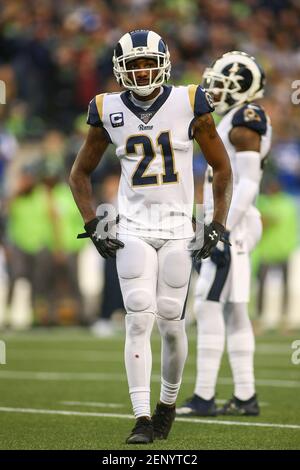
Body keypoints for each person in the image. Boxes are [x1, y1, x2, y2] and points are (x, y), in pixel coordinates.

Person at [69, 30, 232, 444]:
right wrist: (92, 223)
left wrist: (218, 223)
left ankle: (167, 404)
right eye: (134, 64)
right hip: (133, 226)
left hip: (179, 227)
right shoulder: (106, 108)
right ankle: (141, 418)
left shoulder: (189, 100)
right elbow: (79, 173)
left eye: (148, 62)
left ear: (163, 63)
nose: (142, 70)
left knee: (172, 324)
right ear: (121, 68)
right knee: (139, 314)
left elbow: (222, 168)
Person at [177, 51, 272, 417]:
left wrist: (222, 228)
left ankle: (203, 396)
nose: (213, 87)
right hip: (231, 224)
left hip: (232, 226)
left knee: (207, 304)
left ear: (239, 86)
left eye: (220, 81)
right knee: (234, 311)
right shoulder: (234, 117)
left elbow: (248, 182)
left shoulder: (246, 118)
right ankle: (245, 396)